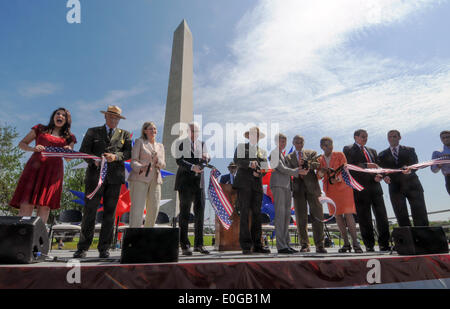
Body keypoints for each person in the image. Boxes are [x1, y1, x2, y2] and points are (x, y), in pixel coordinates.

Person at [73, 105, 132, 259]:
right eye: (111, 117)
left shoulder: (125, 134)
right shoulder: (93, 131)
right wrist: (95, 161)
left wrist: (115, 157)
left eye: (116, 118)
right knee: (90, 212)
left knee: (110, 214)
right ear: (105, 117)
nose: (114, 120)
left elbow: (127, 153)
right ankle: (83, 247)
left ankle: (104, 248)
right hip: (94, 177)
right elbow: (84, 151)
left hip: (114, 178)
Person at [10, 108, 76, 224]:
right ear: (53, 116)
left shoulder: (69, 137)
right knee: (27, 202)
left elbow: (69, 159)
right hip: (34, 169)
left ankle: (39, 238)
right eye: (58, 114)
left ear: (67, 120)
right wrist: (33, 148)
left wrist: (69, 150)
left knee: (45, 205)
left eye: (63, 115)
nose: (60, 116)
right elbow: (22, 144)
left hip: (53, 173)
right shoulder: (40, 129)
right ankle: (20, 234)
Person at [343, 129, 390, 252]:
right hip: (360, 188)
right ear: (356, 137)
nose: (365, 139)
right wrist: (365, 165)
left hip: (375, 188)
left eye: (366, 137)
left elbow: (379, 167)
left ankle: (384, 244)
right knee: (365, 218)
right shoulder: (348, 149)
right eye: (363, 136)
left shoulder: (373, 151)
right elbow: (349, 166)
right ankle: (369, 245)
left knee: (382, 217)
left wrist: (380, 175)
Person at [317, 137, 362, 253]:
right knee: (337, 216)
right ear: (322, 146)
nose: (330, 147)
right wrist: (322, 171)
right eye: (327, 145)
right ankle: (346, 243)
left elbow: (345, 169)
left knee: (348, 214)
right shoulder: (319, 159)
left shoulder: (340, 155)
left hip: (343, 188)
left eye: (331, 144)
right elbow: (318, 176)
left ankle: (356, 243)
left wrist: (338, 178)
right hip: (330, 190)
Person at [378, 130, 429, 227]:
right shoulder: (382, 154)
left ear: (399, 137)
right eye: (390, 137)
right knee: (401, 215)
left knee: (420, 213)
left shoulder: (410, 150)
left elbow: (415, 164)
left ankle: (423, 239)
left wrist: (410, 169)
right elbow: (382, 169)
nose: (392, 138)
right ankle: (407, 240)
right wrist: (385, 177)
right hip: (395, 187)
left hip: (413, 185)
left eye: (394, 136)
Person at [286, 135, 327, 254]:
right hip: (297, 188)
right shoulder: (288, 157)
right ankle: (304, 244)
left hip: (313, 188)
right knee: (300, 218)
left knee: (318, 215)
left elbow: (317, 164)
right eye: (296, 142)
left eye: (301, 142)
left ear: (303, 143)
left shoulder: (312, 152)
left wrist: (307, 164)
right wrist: (297, 169)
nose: (299, 144)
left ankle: (320, 245)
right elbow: (287, 169)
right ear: (293, 143)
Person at [233, 126, 271, 254]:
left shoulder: (263, 152)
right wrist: (250, 164)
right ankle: (245, 245)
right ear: (248, 136)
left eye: (257, 135)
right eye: (253, 134)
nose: (255, 137)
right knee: (244, 214)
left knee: (257, 215)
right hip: (244, 184)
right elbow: (237, 161)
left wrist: (259, 173)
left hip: (256, 186)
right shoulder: (241, 147)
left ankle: (257, 244)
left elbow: (265, 168)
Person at [174, 122, 210, 255]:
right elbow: (179, 160)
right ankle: (184, 245)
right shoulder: (180, 143)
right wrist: (192, 167)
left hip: (199, 183)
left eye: (197, 131)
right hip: (185, 182)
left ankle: (199, 245)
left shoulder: (202, 144)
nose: (195, 133)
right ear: (188, 132)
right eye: (192, 130)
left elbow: (206, 159)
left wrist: (206, 160)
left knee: (200, 214)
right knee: (184, 214)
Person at [128, 122, 166, 228]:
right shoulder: (139, 142)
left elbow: (163, 164)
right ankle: (134, 236)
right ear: (145, 130)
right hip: (140, 178)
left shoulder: (160, 146)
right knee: (137, 209)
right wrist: (141, 167)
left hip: (156, 179)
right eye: (150, 129)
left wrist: (158, 161)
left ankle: (148, 235)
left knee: (154, 208)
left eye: (154, 129)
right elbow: (133, 161)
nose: (153, 131)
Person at [269, 133, 300, 254]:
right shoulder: (274, 153)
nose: (283, 143)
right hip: (278, 185)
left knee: (287, 217)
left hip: (287, 187)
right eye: (281, 141)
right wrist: (297, 171)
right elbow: (280, 168)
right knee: (280, 216)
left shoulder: (282, 154)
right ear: (276, 142)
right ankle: (281, 246)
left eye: (285, 141)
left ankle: (287, 244)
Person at [431, 130, 450, 195]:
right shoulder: (437, 153)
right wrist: (439, 165)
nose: (446, 139)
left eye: (448, 137)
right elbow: (434, 170)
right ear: (441, 139)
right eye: (443, 138)